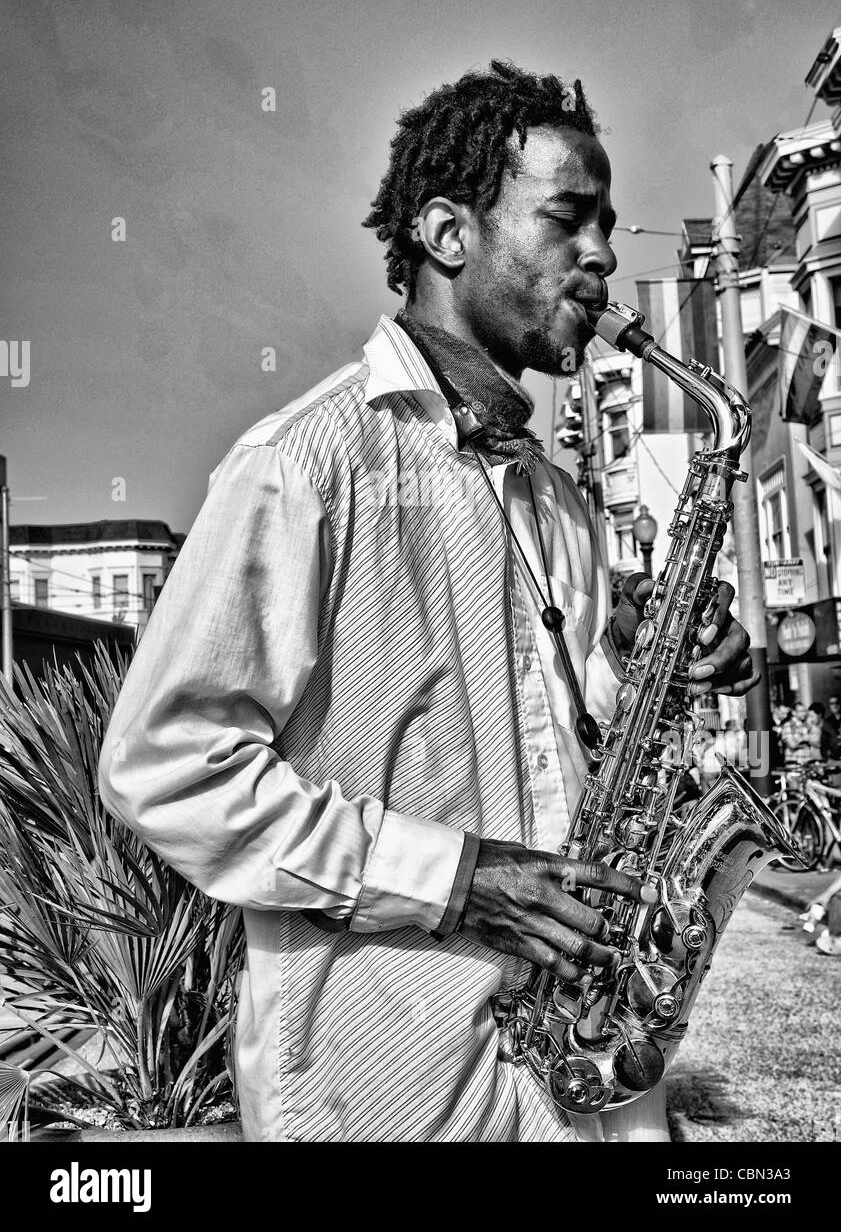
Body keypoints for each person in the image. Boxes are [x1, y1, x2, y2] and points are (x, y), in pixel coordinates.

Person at [98, 60, 757, 1144]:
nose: (599, 257)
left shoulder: (553, 495)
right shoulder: (303, 465)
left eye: (607, 224)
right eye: (566, 219)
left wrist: (652, 662)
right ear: (448, 235)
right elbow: (163, 768)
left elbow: (560, 734)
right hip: (387, 1091)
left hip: (578, 1075)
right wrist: (454, 877)